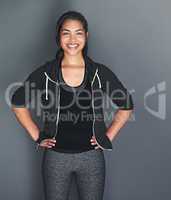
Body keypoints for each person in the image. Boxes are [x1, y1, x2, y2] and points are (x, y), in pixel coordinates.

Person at [11, 10, 134, 200]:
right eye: (66, 32)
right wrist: (37, 136)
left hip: (91, 158)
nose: (72, 39)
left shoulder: (98, 72)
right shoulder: (46, 73)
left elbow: (126, 105)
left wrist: (107, 136)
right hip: (55, 158)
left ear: (86, 36)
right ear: (59, 36)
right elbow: (18, 103)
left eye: (78, 32)